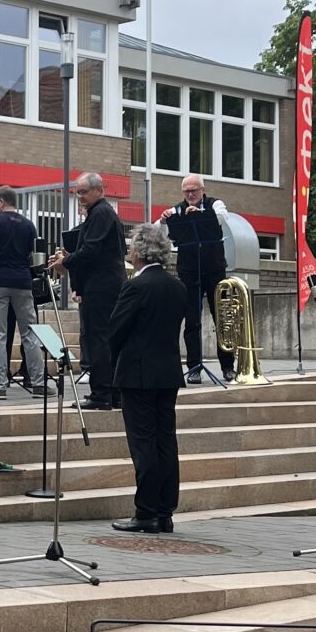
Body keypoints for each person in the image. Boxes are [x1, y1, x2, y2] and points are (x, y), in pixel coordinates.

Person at [108, 222, 188, 534]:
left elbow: (115, 331)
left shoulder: (136, 286)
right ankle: (165, 511)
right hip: (168, 372)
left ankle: (146, 511)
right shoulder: (177, 286)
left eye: (131, 247)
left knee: (143, 444)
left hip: (137, 374)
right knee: (166, 440)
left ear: (140, 252)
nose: (129, 252)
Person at [49, 172, 126, 409]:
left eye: (83, 192)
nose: (79, 196)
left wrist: (66, 261)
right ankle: (112, 393)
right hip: (104, 284)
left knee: (98, 340)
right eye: (77, 192)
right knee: (104, 339)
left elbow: (92, 251)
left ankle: (101, 394)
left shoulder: (101, 213)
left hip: (102, 287)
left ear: (99, 190)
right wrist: (71, 260)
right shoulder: (99, 213)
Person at [160, 174, 234, 384]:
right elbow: (161, 231)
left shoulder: (215, 204)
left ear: (203, 190)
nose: (190, 194)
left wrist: (201, 213)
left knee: (222, 318)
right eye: (187, 191)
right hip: (189, 271)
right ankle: (194, 367)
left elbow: (222, 217)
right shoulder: (176, 209)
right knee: (192, 320)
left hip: (214, 269)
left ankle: (228, 366)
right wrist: (164, 221)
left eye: (194, 190)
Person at [0, 188, 45, 400]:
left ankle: (0, 386)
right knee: (30, 333)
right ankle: (38, 384)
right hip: (22, 282)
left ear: (1, 202)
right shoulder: (28, 224)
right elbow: (33, 255)